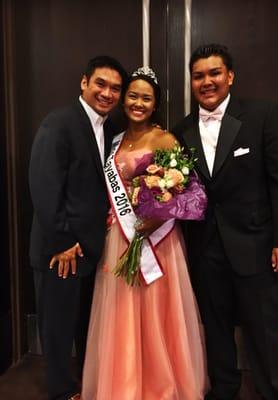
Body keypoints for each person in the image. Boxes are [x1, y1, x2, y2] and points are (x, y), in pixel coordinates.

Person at [172, 43, 278, 400]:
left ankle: (276, 392)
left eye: (214, 73)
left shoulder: (262, 115)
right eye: (198, 76)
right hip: (204, 250)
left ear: (230, 76)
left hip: (257, 247)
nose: (207, 81)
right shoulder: (179, 131)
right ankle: (224, 390)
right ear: (191, 82)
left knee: (265, 329)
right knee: (215, 329)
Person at [81, 67, 209, 400]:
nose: (138, 103)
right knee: (122, 310)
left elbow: (186, 191)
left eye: (146, 98)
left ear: (155, 104)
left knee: (157, 309)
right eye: (133, 95)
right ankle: (124, 384)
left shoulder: (165, 138)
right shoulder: (115, 140)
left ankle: (161, 384)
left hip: (159, 239)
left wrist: (159, 214)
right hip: (120, 237)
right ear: (125, 99)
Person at [29, 55, 128, 400]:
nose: (107, 93)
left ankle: (85, 387)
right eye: (101, 84)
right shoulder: (59, 123)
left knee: (85, 328)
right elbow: (43, 185)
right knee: (57, 331)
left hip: (90, 252)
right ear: (84, 83)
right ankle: (60, 392)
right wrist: (62, 241)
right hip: (62, 252)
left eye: (115, 88)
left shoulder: (110, 129)